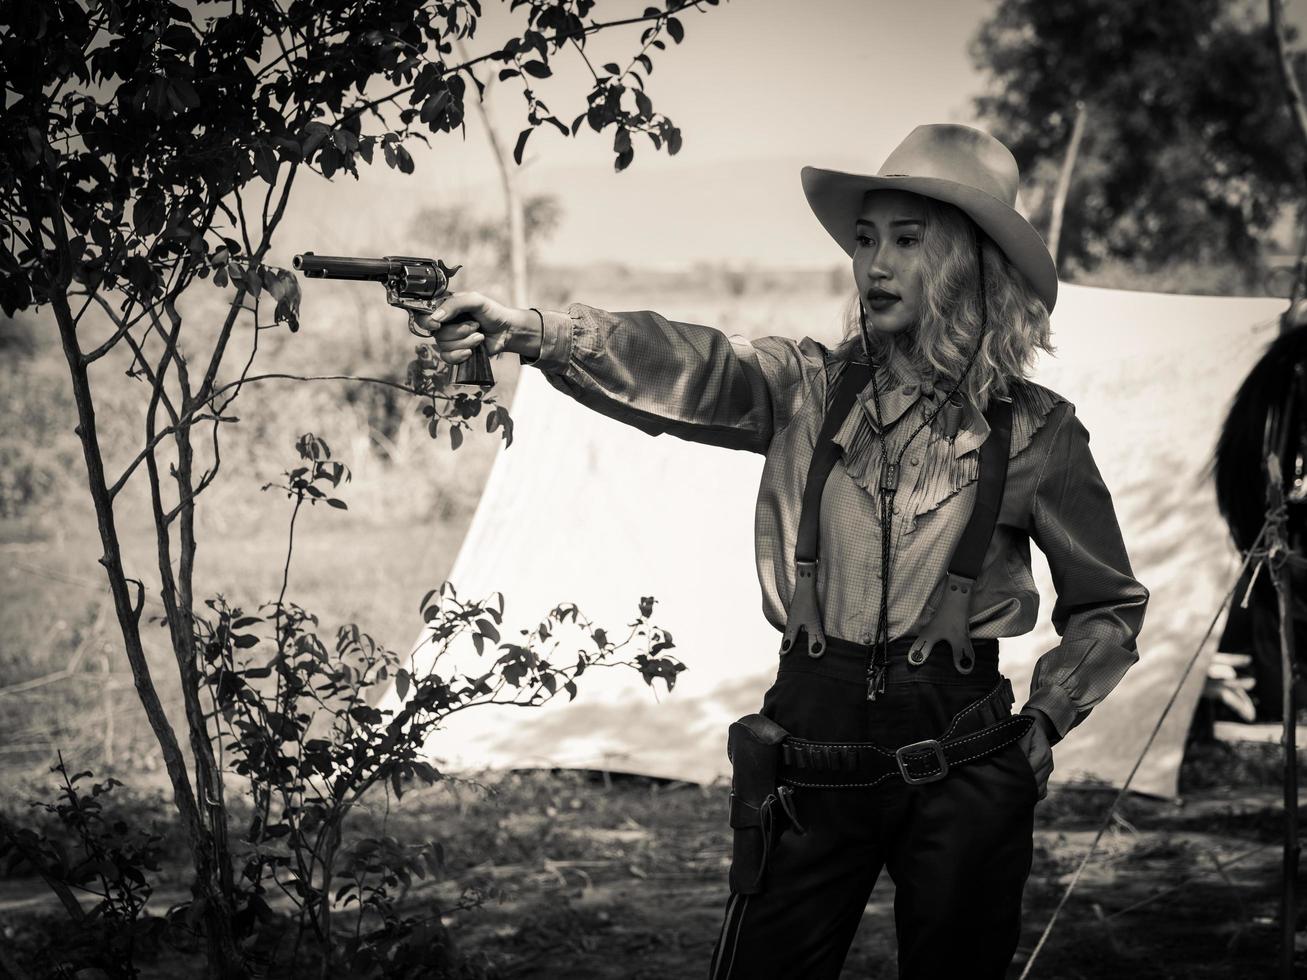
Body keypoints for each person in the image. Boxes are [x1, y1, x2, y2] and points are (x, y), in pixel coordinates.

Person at [415, 123, 1150, 980]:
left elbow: (1107, 604)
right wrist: (534, 331)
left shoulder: (1037, 431)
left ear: (968, 262)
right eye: (865, 240)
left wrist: (1050, 714)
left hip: (962, 753)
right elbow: (690, 363)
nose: (874, 264)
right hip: (811, 742)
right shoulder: (803, 385)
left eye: (907, 242)